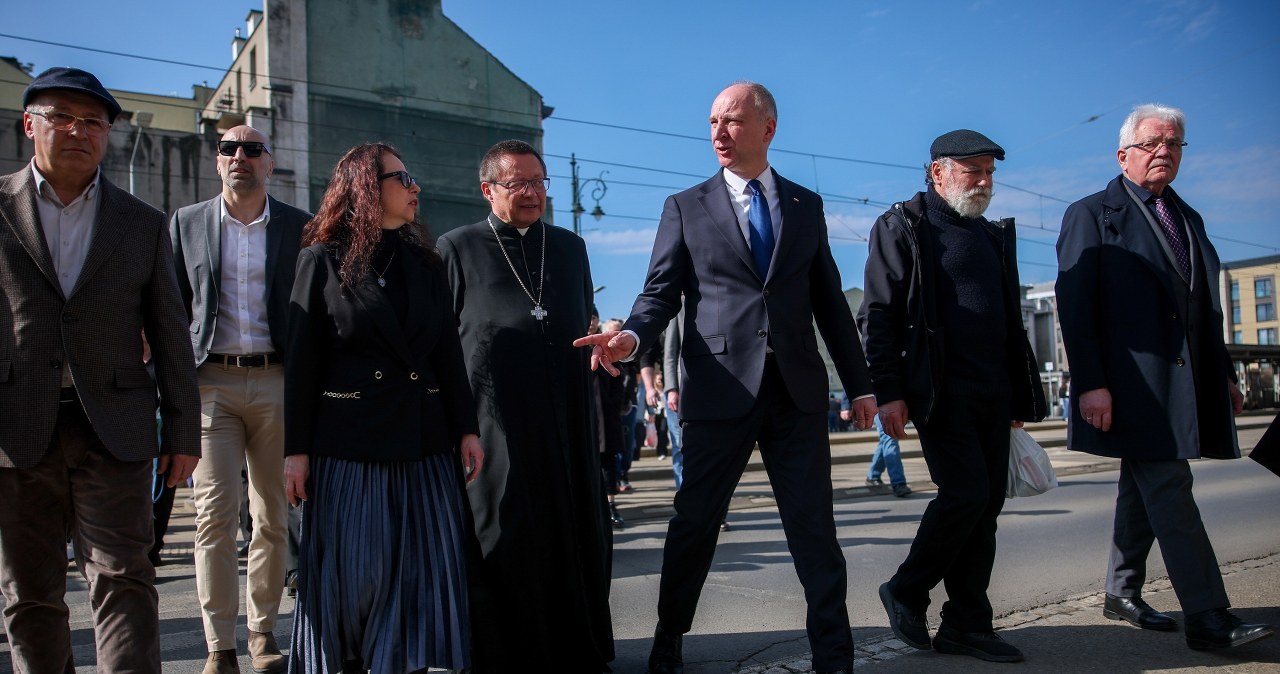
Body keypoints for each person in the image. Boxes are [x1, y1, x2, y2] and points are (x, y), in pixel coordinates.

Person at [575, 81, 876, 674]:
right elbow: (659, 292)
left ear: (768, 128)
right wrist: (631, 338)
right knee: (695, 524)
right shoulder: (686, 206)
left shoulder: (804, 206)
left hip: (796, 392)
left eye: (732, 121)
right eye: (712, 121)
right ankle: (668, 640)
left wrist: (861, 382)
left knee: (815, 530)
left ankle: (834, 657)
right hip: (718, 391)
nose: (717, 132)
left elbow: (831, 306)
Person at [0, 66, 201, 673]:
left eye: (92, 122)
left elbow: (170, 330)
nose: (77, 131)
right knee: (29, 592)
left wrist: (183, 434)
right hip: (14, 427)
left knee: (124, 579)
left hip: (115, 425)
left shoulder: (139, 221)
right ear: (29, 123)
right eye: (61, 116)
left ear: (107, 136)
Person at [1056, 104, 1275, 650]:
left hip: (1183, 382)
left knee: (1144, 483)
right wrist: (1091, 382)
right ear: (1123, 153)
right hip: (1131, 384)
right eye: (1153, 143)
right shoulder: (1090, 214)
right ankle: (1208, 616)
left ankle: (1121, 589)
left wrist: (1222, 373)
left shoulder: (1187, 217)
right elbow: (1075, 309)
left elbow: (1205, 308)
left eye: (1175, 144)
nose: (1164, 152)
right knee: (1170, 486)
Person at [283, 143, 484, 672]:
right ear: (366, 188)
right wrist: (295, 451)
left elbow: (446, 352)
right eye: (403, 177)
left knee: (418, 571)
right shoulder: (321, 258)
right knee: (356, 574)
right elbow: (303, 364)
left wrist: (466, 428)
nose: (415, 187)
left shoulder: (425, 261)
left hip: (423, 440)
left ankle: (406, 663)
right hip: (351, 442)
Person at [859, 129, 1046, 663]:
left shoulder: (989, 234)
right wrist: (889, 392)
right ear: (938, 172)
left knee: (985, 505)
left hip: (994, 391)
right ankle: (907, 588)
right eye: (974, 172)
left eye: (990, 172)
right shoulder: (903, 226)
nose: (985, 182)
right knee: (965, 494)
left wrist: (1018, 399)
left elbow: (1009, 321)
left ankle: (967, 623)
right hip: (939, 393)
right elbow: (879, 314)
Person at [437, 139, 614, 673]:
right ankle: (505, 653)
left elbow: (584, 317)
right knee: (505, 531)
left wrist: (605, 335)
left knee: (574, 527)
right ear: (489, 189)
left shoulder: (568, 247)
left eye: (540, 182)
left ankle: (578, 647)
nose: (534, 193)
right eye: (520, 184)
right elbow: (442, 342)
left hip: (567, 415)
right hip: (495, 423)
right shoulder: (457, 247)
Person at [170, 124, 310, 673]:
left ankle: (262, 633)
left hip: (277, 380)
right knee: (214, 517)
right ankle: (218, 645)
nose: (240, 157)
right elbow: (173, 308)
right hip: (212, 385)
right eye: (229, 148)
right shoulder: (187, 224)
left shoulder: (298, 227)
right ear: (217, 160)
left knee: (273, 515)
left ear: (269, 163)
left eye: (253, 149)